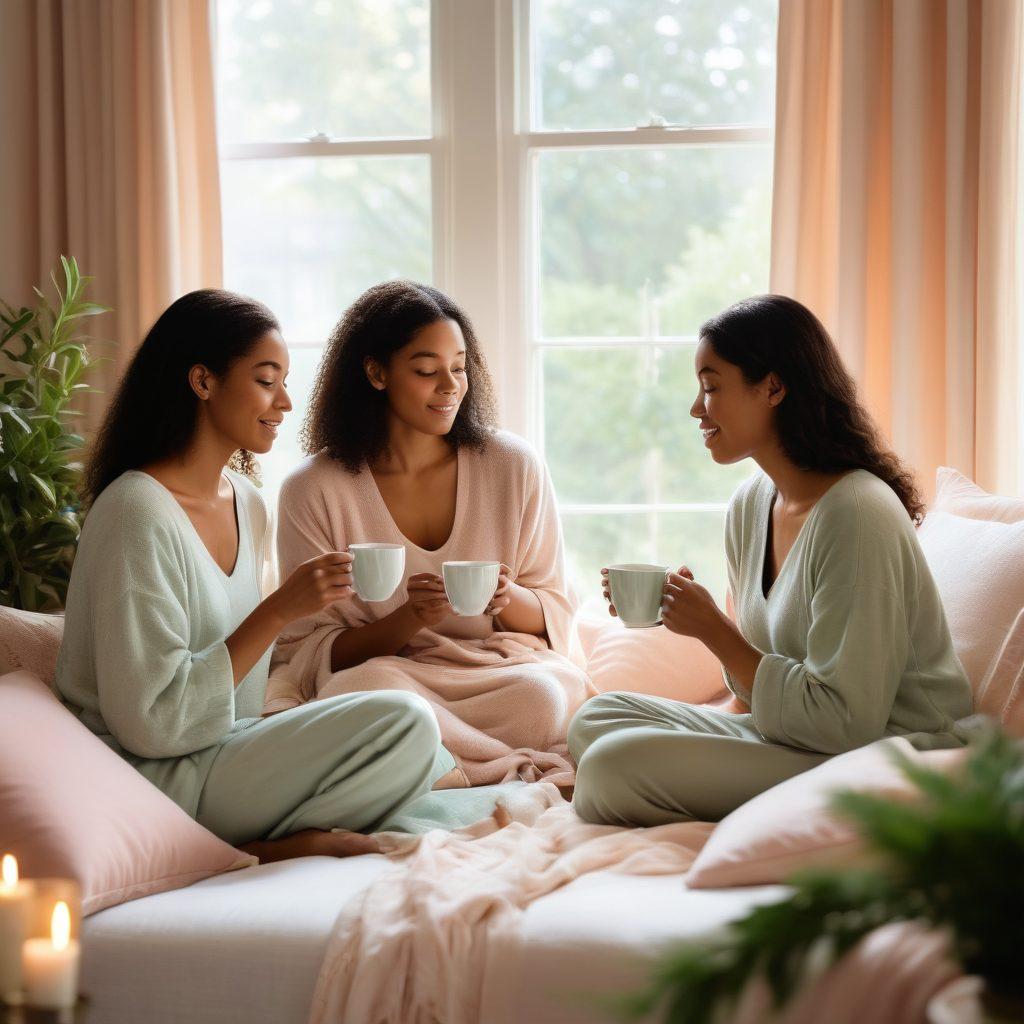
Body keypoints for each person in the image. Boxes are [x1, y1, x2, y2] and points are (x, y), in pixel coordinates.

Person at [56, 289, 455, 862]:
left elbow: (240, 705)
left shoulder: (248, 502)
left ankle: (248, 840)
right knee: (401, 719)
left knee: (412, 730)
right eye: (267, 380)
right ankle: (239, 848)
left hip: (222, 754)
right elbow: (152, 726)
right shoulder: (134, 511)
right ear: (203, 382)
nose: (286, 402)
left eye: (285, 381)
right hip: (142, 779)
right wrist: (279, 611)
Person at [569, 294, 972, 827]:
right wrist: (694, 619)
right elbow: (757, 685)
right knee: (598, 719)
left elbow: (846, 723)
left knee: (611, 767)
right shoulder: (750, 504)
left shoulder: (856, 514)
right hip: (795, 739)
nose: (696, 408)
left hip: (889, 753)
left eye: (711, 387)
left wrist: (716, 631)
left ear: (774, 388)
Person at [267, 280, 593, 786]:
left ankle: (439, 769)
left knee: (543, 697)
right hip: (393, 676)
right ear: (377, 372)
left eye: (460, 368)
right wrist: (409, 619)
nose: (451, 386)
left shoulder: (514, 466)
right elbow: (311, 652)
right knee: (364, 694)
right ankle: (476, 766)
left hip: (498, 674)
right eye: (426, 371)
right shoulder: (313, 490)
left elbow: (554, 614)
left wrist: (505, 599)